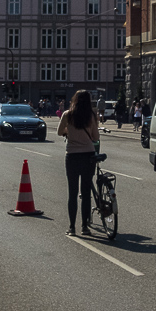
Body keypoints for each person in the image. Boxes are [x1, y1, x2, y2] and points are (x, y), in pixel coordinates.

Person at [57, 90, 101, 237]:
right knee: (86, 192)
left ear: (74, 100)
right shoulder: (91, 116)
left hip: (72, 156)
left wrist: (68, 132)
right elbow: (95, 137)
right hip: (88, 155)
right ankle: (85, 227)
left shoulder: (67, 115)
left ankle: (71, 227)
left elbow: (58, 132)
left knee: (73, 192)